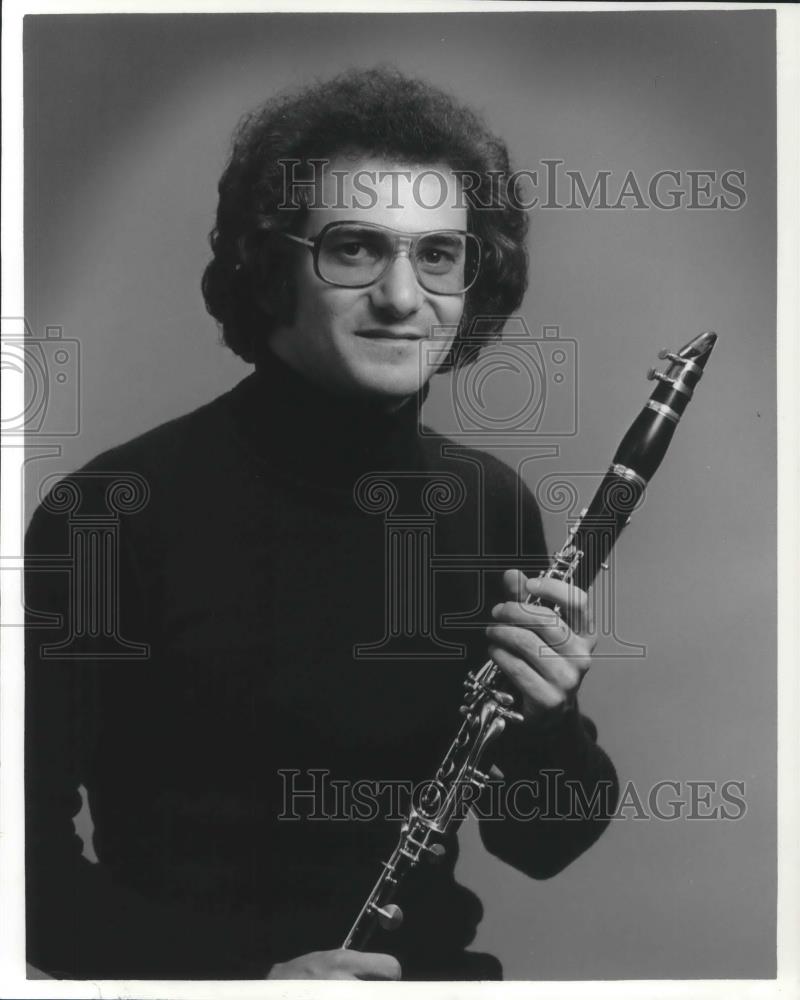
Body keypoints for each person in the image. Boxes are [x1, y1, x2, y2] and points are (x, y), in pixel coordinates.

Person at [25, 67, 618, 981]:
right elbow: (19, 873)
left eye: (438, 255)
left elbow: (543, 846)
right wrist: (241, 984)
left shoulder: (491, 504)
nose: (400, 296)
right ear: (269, 266)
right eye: (354, 249)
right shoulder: (108, 515)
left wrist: (552, 721)